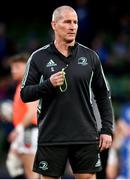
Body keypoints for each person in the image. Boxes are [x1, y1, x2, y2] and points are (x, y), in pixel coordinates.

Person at [20, 5, 114, 179]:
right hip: (52, 135)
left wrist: (107, 129)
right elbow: (25, 94)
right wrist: (48, 84)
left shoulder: (91, 56)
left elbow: (103, 94)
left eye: (75, 22)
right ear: (54, 24)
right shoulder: (39, 57)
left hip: (85, 135)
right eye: (67, 22)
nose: (72, 27)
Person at [6, 53, 39, 179]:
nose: (13, 71)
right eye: (12, 68)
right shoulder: (21, 85)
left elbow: (32, 112)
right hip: (25, 131)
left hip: (28, 132)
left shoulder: (28, 85)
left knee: (32, 175)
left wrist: (17, 130)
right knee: (12, 164)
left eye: (17, 67)